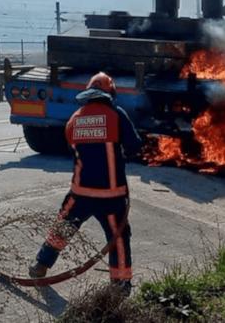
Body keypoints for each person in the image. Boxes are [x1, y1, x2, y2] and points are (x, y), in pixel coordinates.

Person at [29, 72, 143, 295]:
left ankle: (41, 265)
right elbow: (134, 146)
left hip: (79, 193)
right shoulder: (116, 114)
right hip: (111, 195)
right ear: (109, 93)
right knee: (118, 238)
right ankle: (120, 287)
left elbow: (73, 148)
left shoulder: (75, 118)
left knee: (62, 228)